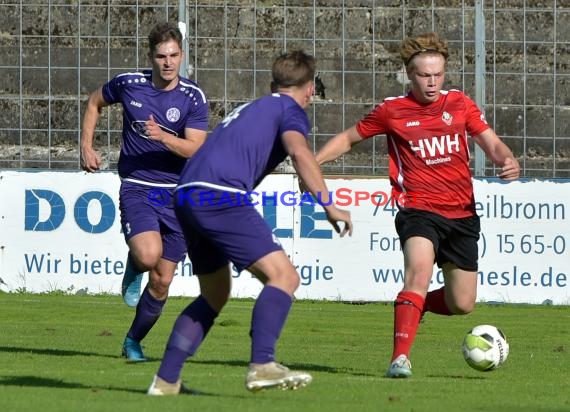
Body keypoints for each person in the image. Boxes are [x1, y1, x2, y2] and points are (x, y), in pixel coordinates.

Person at [146, 50, 353, 395]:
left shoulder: (254, 107)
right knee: (284, 276)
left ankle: (166, 381)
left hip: (185, 193)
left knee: (215, 294)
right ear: (309, 91)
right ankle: (262, 364)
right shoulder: (290, 110)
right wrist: (329, 205)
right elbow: (300, 152)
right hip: (218, 194)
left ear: (273, 84)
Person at [314, 32, 520, 378]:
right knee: (418, 274)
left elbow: (492, 143)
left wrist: (507, 159)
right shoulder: (392, 111)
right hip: (418, 210)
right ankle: (400, 359)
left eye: (438, 74)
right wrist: (313, 162)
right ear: (409, 74)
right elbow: (349, 139)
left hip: (463, 214)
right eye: (425, 75)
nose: (433, 82)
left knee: (462, 303)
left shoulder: (459, 104)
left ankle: (415, 307)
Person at [80, 21, 209, 362]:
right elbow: (94, 102)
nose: (168, 63)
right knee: (149, 256)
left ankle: (133, 341)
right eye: (161, 56)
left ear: (182, 55)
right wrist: (85, 145)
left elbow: (196, 149)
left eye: (174, 55)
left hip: (180, 195)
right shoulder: (129, 84)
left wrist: (164, 136)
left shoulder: (192, 97)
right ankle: (136, 262)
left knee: (163, 281)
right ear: (150, 57)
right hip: (138, 186)